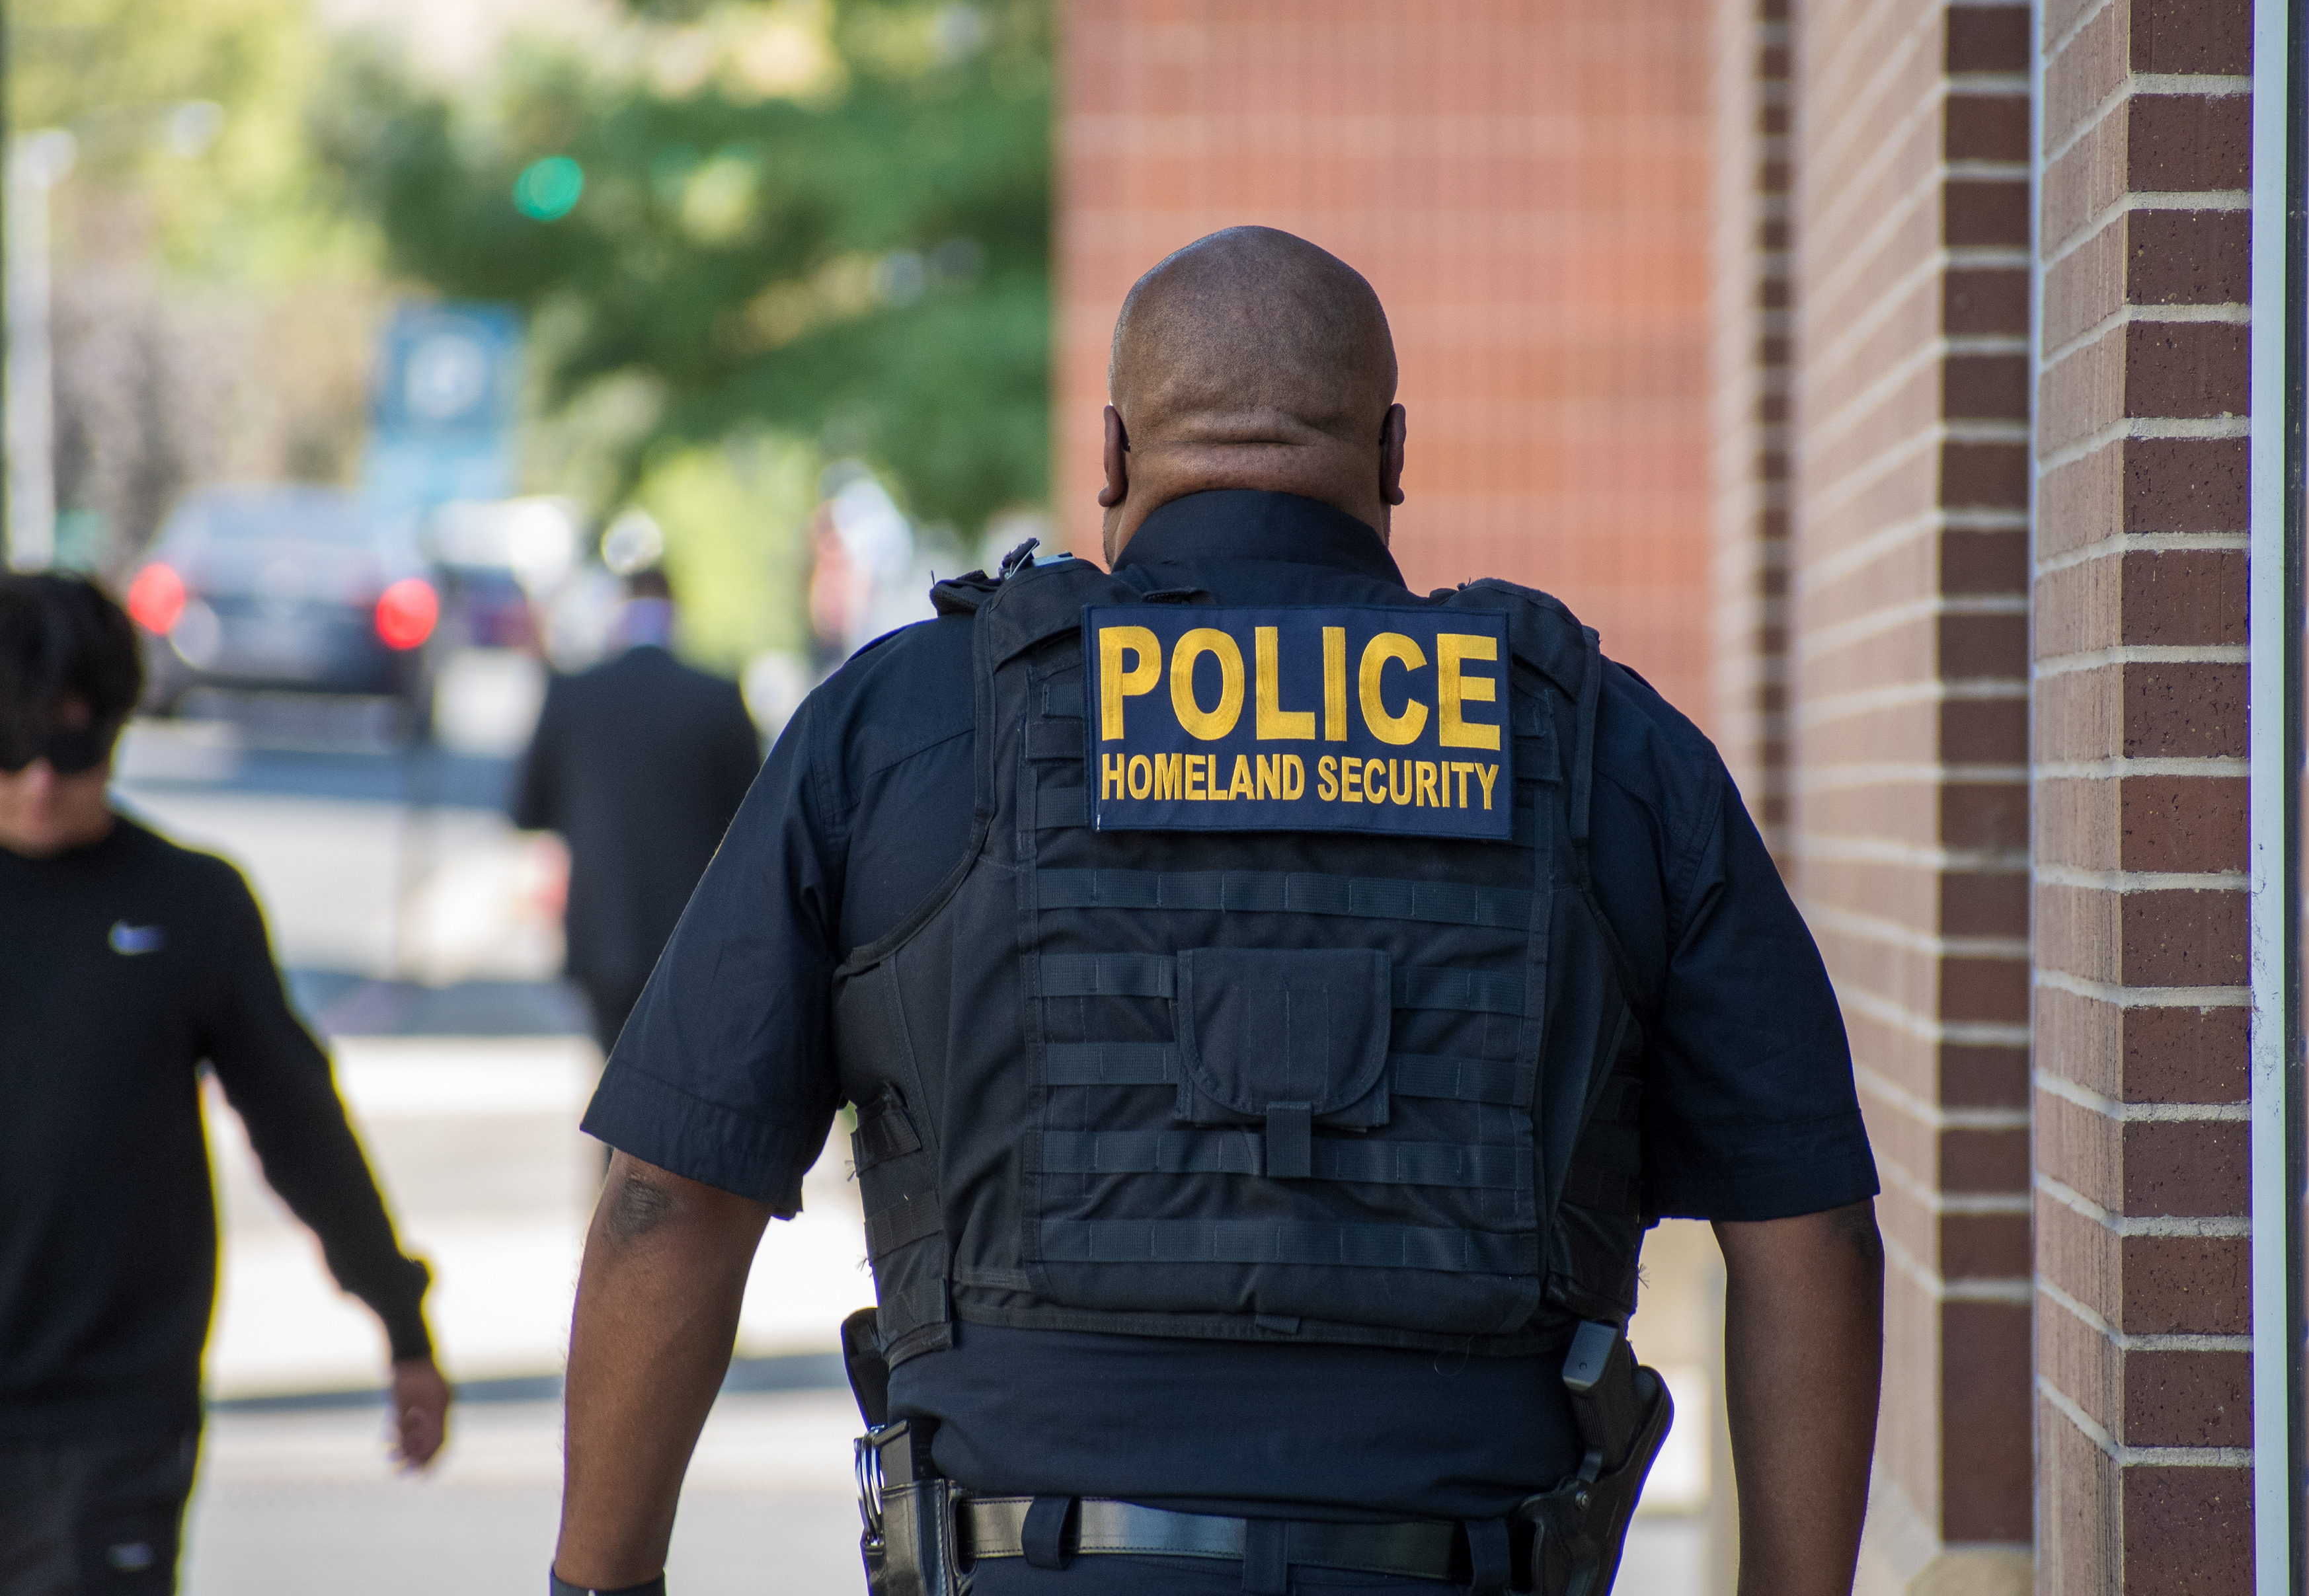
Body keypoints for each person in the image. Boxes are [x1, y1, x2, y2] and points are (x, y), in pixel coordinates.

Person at [551, 228, 1884, 1596]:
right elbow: (1809, 1231)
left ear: (1116, 457)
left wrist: (595, 1586)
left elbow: (667, 1200)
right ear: (1394, 453)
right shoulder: (1615, 752)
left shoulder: (903, 726)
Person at [0, 572, 450, 1596]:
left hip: (109, 1424)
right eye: (7, 747)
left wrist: (400, 1317)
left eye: (70, 749)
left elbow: (299, 1127)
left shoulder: (188, 905)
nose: (36, 781)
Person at [510, 569, 762, 1055]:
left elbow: (527, 810)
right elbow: (755, 819)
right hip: (695, 935)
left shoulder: (573, 695)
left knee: (614, 1072)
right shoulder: (717, 696)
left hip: (602, 925)